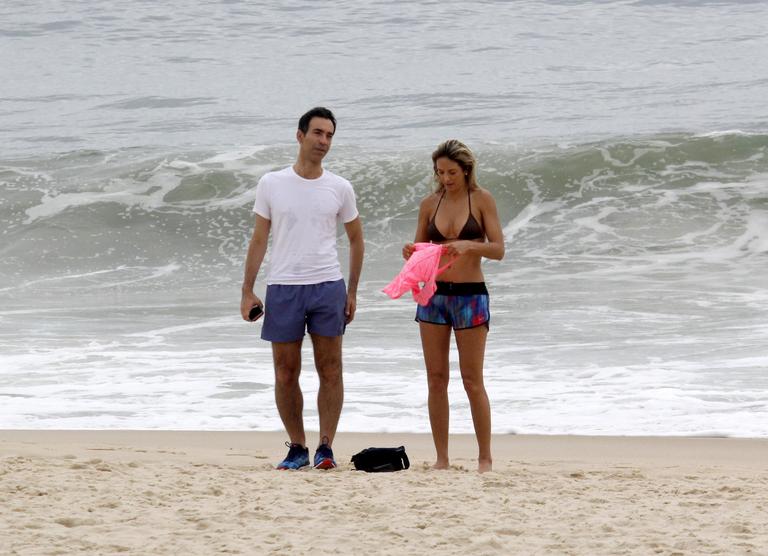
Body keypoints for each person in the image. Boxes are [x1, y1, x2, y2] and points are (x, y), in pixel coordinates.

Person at [241, 107, 364, 470]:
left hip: (328, 285)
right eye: (318, 133)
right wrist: (247, 290)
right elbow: (259, 238)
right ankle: (297, 447)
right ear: (300, 135)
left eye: (329, 136)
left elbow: (357, 240)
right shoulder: (271, 184)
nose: (324, 141)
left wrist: (353, 291)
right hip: (283, 286)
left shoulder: (340, 187)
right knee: (285, 372)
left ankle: (325, 447)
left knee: (330, 368)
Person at [402, 140, 504, 473]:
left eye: (451, 172)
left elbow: (499, 249)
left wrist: (467, 246)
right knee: (436, 379)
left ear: (466, 169)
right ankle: (442, 459)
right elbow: (420, 250)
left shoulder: (482, 200)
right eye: (440, 172)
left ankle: (484, 458)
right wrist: (411, 252)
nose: (446, 178)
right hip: (433, 296)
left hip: (471, 296)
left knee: (473, 380)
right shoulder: (429, 204)